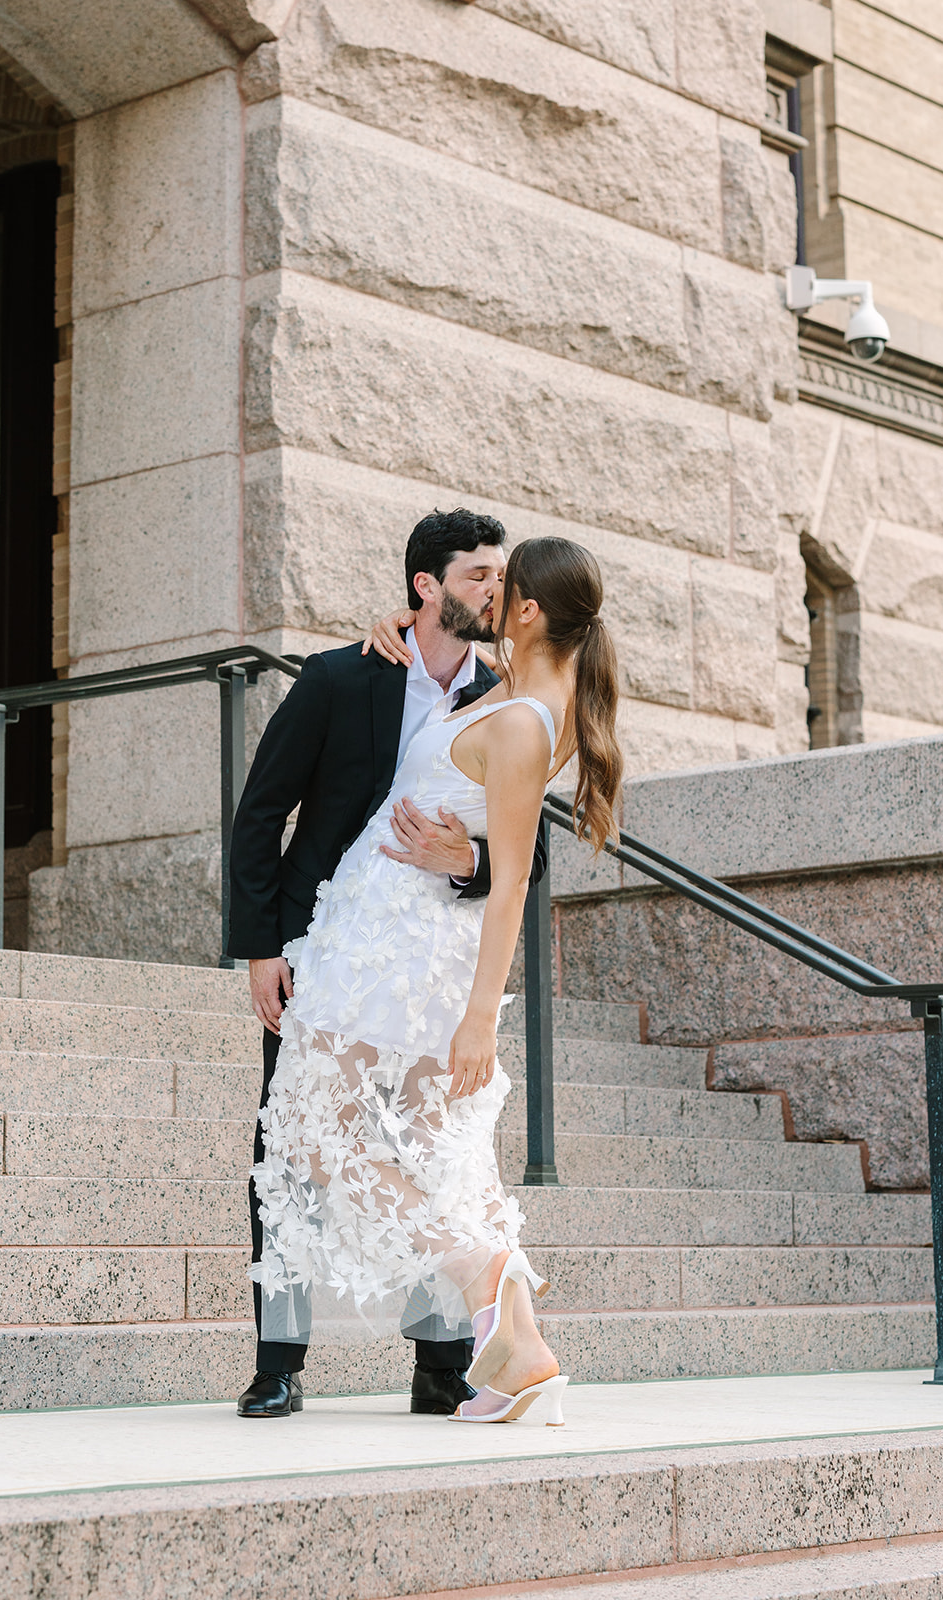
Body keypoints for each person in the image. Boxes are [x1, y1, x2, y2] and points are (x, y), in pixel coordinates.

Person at [250, 536, 622, 1426]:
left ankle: (485, 1280)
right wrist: (398, 626)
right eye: (479, 577)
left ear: (528, 610)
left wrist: (480, 1022)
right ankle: (521, 1355)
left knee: (315, 1133)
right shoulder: (520, 688)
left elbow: (515, 882)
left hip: (403, 955)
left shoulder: (529, 716)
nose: (491, 593)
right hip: (389, 937)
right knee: (445, 1158)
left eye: (505, 582)